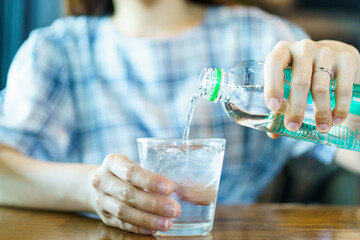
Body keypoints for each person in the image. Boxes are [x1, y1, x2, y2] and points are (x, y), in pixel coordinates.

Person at [0, 0, 359, 235]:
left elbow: (346, 144)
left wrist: (349, 86)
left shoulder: (263, 37)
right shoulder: (57, 49)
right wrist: (92, 189)